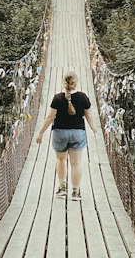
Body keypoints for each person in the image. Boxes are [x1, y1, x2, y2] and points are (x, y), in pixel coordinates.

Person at [35, 69, 95, 201]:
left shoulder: (57, 98)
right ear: (76, 83)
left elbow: (50, 117)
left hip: (59, 133)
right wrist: (94, 128)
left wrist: (40, 133)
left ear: (63, 83)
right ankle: (75, 192)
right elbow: (88, 115)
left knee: (61, 160)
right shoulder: (83, 97)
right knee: (76, 163)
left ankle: (62, 189)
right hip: (77, 133)